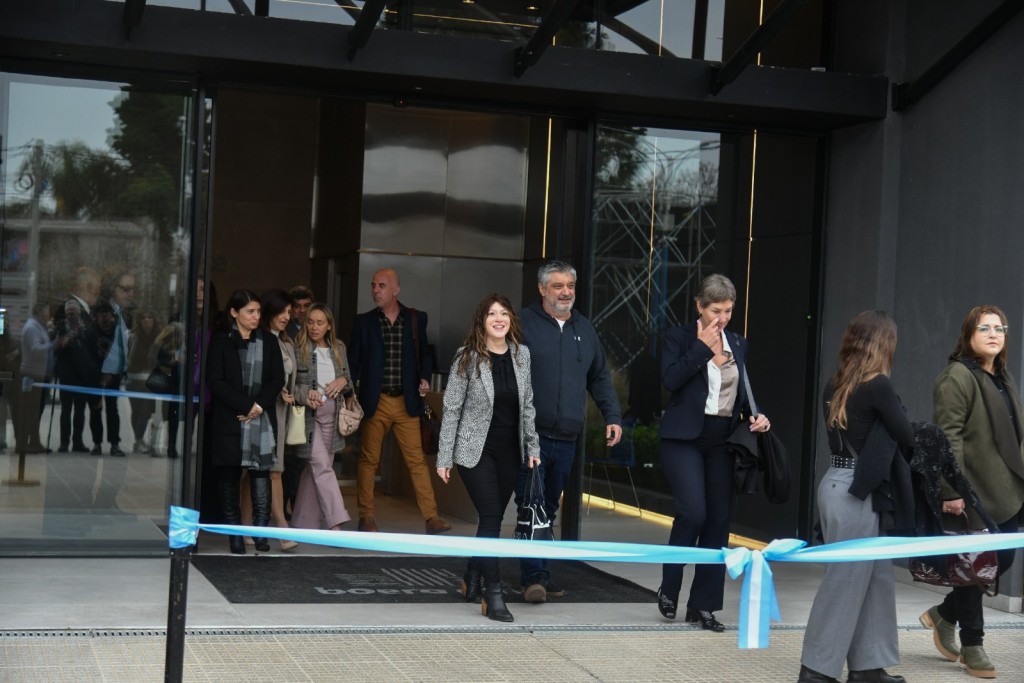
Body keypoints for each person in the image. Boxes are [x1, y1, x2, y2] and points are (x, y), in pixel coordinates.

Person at [798, 310, 912, 683]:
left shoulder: (835, 383)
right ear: (883, 345)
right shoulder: (878, 385)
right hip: (857, 491)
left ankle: (868, 667)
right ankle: (816, 670)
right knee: (846, 581)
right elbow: (906, 434)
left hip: (836, 482)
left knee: (875, 576)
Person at [656, 274, 770, 631]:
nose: (722, 318)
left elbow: (741, 391)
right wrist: (701, 350)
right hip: (684, 437)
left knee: (719, 521)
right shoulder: (679, 338)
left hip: (722, 439)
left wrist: (756, 415)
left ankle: (704, 606)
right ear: (699, 307)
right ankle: (670, 585)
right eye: (715, 310)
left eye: (728, 311)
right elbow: (670, 380)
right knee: (692, 512)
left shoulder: (738, 342)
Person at [514, 260, 623, 604]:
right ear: (542, 289)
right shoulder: (523, 323)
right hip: (529, 435)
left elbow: (600, 376)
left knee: (547, 505)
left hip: (567, 438)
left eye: (570, 286)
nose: (565, 292)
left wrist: (612, 416)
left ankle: (534, 572)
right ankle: (535, 577)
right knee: (531, 503)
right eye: (558, 286)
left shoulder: (584, 329)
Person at [925, 305, 1024, 680]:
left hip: (1007, 489)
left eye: (1000, 327)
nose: (994, 334)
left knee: (1001, 563)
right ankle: (972, 644)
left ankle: (943, 614)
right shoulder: (957, 377)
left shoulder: (1001, 376)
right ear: (968, 334)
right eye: (984, 328)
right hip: (972, 491)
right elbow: (946, 437)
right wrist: (951, 490)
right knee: (974, 569)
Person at [437, 294, 542, 623]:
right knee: (493, 516)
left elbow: (527, 407)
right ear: (481, 322)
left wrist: (533, 448)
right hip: (474, 450)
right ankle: (492, 595)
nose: (499, 318)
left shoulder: (522, 356)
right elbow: (451, 410)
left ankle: (472, 576)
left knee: (490, 521)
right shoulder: (466, 358)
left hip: (511, 452)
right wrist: (444, 456)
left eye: (504, 313)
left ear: (511, 318)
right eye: (491, 314)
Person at [348, 268, 451, 535]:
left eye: (381, 285)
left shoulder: (416, 319)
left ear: (396, 289)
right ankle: (366, 516)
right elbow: (353, 363)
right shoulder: (364, 322)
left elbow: (425, 354)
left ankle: (432, 518)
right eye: (373, 285)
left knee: (416, 460)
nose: (375, 290)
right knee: (369, 460)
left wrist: (426, 378)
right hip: (376, 400)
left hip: (407, 402)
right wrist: (350, 396)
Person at [206, 290, 285, 554]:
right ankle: (235, 535)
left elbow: (277, 378)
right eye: (250, 311)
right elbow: (215, 382)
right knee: (228, 476)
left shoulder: (270, 342)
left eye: (258, 311)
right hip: (229, 418)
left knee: (260, 475)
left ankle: (259, 532)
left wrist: (258, 406)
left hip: (260, 419)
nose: (256, 317)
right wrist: (246, 405)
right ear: (234, 312)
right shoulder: (221, 342)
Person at [290, 303, 355, 533]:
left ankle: (302, 521)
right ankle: (336, 521)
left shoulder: (339, 347)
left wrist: (343, 381)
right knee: (322, 466)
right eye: (310, 322)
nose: (314, 327)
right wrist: (307, 393)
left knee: (316, 468)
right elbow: (292, 386)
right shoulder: (298, 348)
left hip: (334, 416)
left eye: (319, 323)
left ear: (329, 326)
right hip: (310, 417)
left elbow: (347, 377)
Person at [97, 270, 137, 457]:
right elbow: (98, 342)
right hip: (103, 369)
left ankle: (114, 443)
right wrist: (105, 367)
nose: (130, 294)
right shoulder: (103, 312)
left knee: (113, 409)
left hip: (118, 370)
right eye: (126, 289)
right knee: (98, 407)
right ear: (114, 289)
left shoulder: (125, 314)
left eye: (133, 289)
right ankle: (98, 443)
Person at [14, 303, 53, 454]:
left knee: (34, 412)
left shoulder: (39, 326)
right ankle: (23, 443)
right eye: (47, 309)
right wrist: (53, 344)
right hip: (30, 375)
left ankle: (34, 441)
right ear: (41, 311)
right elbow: (35, 349)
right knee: (28, 411)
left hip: (38, 374)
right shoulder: (31, 327)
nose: (49, 312)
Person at [53, 299, 91, 453]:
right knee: (66, 410)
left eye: (72, 313)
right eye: (67, 312)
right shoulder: (61, 328)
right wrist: (62, 343)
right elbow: (54, 348)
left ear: (79, 313)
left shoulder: (86, 328)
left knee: (80, 411)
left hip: (82, 375)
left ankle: (78, 442)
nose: (69, 315)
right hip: (66, 374)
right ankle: (64, 442)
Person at [125, 310, 159, 453]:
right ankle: (138, 440)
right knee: (136, 411)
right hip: (134, 379)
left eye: (149, 317)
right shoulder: (132, 337)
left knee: (146, 411)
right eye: (143, 318)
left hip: (150, 380)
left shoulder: (158, 338)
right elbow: (128, 357)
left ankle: (138, 440)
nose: (146, 320)